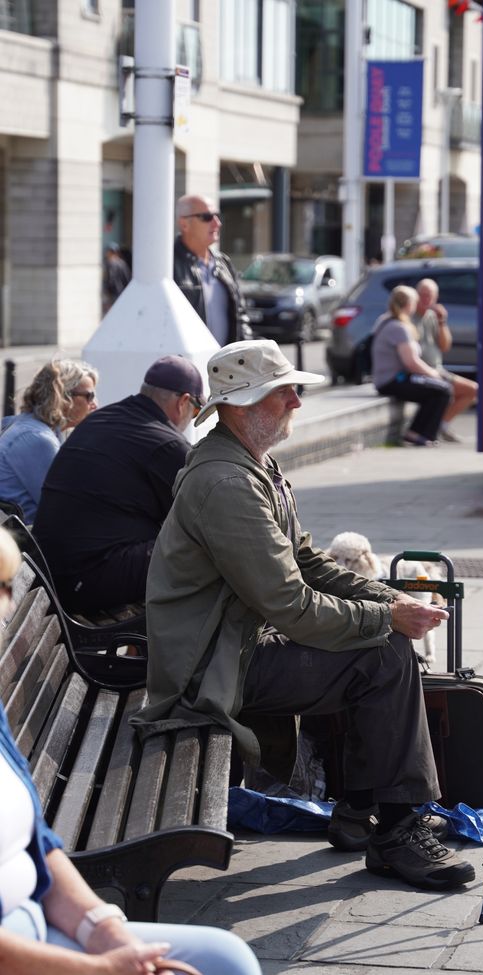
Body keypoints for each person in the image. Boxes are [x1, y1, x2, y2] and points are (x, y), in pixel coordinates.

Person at [131, 339, 475, 893]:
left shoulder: (251, 463)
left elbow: (307, 560)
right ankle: (394, 829)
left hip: (229, 647)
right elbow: (291, 605)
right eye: (285, 391)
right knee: (384, 656)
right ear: (243, 406)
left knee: (381, 645)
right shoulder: (227, 483)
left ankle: (364, 812)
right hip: (208, 669)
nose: (296, 401)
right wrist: (386, 622)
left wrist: (390, 601)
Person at [0, 526, 261, 975]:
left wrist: (109, 935)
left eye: (5, 587)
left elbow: (38, 845)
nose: (4, 606)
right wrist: (104, 969)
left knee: (226, 958)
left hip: (37, 927)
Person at [33, 355, 205, 614]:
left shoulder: (101, 419)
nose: (191, 419)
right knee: (200, 547)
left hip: (55, 574)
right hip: (86, 580)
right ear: (183, 402)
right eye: (196, 411)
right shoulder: (167, 445)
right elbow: (208, 516)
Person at [0, 360, 98, 523]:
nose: (94, 404)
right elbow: (67, 507)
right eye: (89, 396)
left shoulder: (28, 427)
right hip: (27, 543)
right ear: (64, 397)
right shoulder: (36, 439)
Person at [371, 285, 452, 446]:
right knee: (443, 390)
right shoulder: (398, 328)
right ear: (409, 305)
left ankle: (419, 432)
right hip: (393, 381)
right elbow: (411, 362)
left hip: (391, 379)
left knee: (438, 389)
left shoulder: (386, 320)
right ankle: (418, 434)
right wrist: (433, 373)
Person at [173, 194, 251, 345]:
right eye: (207, 217)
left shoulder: (223, 263)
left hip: (225, 365)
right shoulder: (168, 264)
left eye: (217, 215)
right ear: (184, 224)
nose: (217, 223)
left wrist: (246, 354)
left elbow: (241, 316)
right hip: (189, 365)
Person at [412, 278, 479, 443]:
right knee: (455, 390)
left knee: (473, 390)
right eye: (423, 295)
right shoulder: (410, 316)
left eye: (431, 296)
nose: (426, 300)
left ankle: (442, 425)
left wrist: (442, 321)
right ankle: (438, 427)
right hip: (422, 370)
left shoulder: (432, 317)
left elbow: (445, 345)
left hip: (437, 368)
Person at [102, 242, 132, 313]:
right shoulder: (121, 263)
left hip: (114, 294)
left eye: (109, 252)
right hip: (117, 293)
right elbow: (128, 278)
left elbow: (111, 280)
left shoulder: (114, 264)